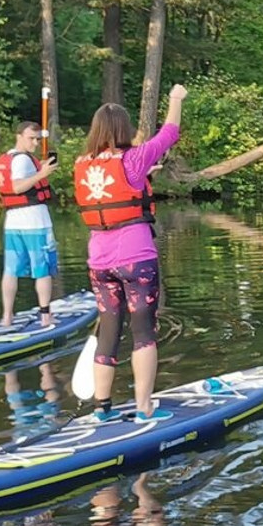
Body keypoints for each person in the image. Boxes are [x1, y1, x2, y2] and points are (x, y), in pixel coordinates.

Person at [75, 84, 186, 423]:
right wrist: (175, 100)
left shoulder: (80, 164)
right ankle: (144, 408)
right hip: (136, 259)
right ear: (123, 130)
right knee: (143, 333)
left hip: (99, 263)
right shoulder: (134, 158)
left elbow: (110, 185)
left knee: (109, 330)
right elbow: (170, 132)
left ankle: (102, 410)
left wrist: (142, 179)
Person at [0, 120, 58, 327]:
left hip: (13, 222)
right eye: (31, 138)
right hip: (34, 222)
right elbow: (17, 187)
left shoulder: (7, 158)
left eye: (38, 139)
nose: (36, 143)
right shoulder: (22, 160)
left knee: (11, 269)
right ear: (19, 136)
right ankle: (46, 316)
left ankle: (7, 316)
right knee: (43, 269)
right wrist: (42, 174)